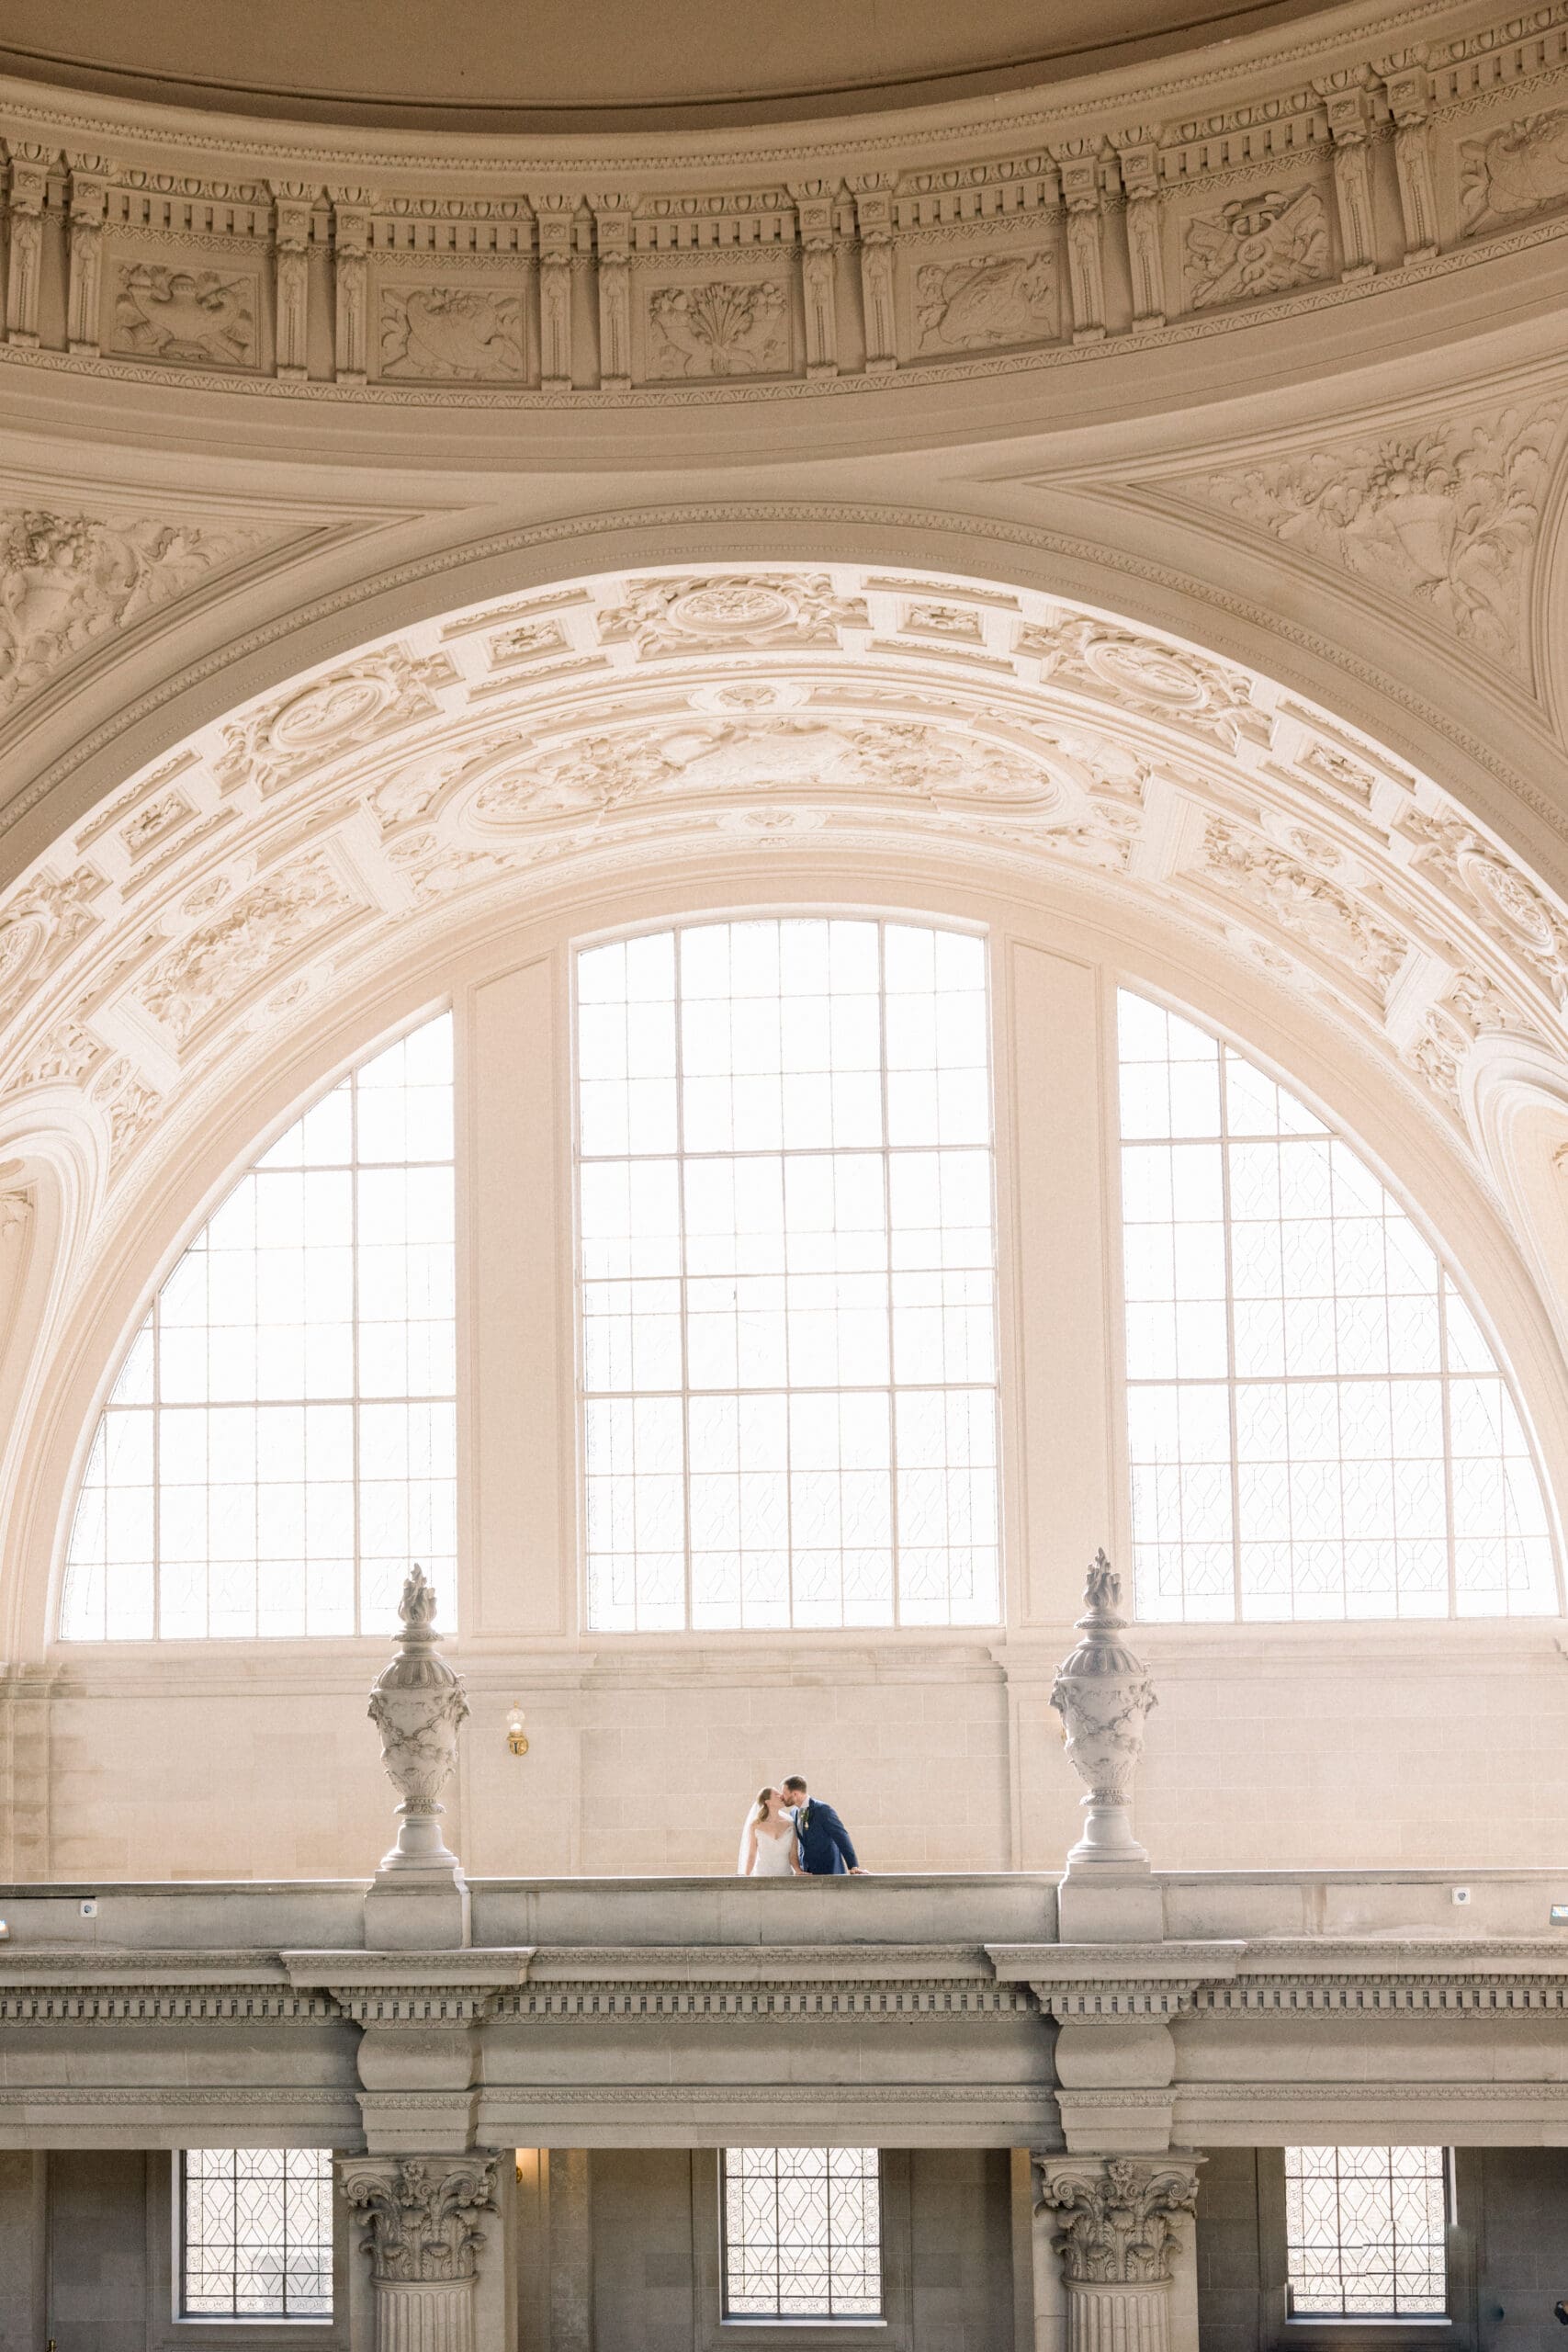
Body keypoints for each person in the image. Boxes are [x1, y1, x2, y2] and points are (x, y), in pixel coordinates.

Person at [783, 1774, 863, 1875]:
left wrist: (853, 1865)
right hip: (807, 1871)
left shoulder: (822, 1809)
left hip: (828, 1869)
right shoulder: (793, 1812)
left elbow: (841, 1836)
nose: (782, 1797)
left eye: (784, 1793)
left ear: (795, 1794)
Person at [737, 1785, 804, 1876]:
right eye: (776, 1794)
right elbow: (752, 1855)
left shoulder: (790, 1823)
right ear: (767, 1802)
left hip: (786, 1876)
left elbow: (793, 1855)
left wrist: (798, 1871)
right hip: (762, 1875)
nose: (781, 1796)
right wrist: (746, 1875)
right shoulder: (755, 1825)